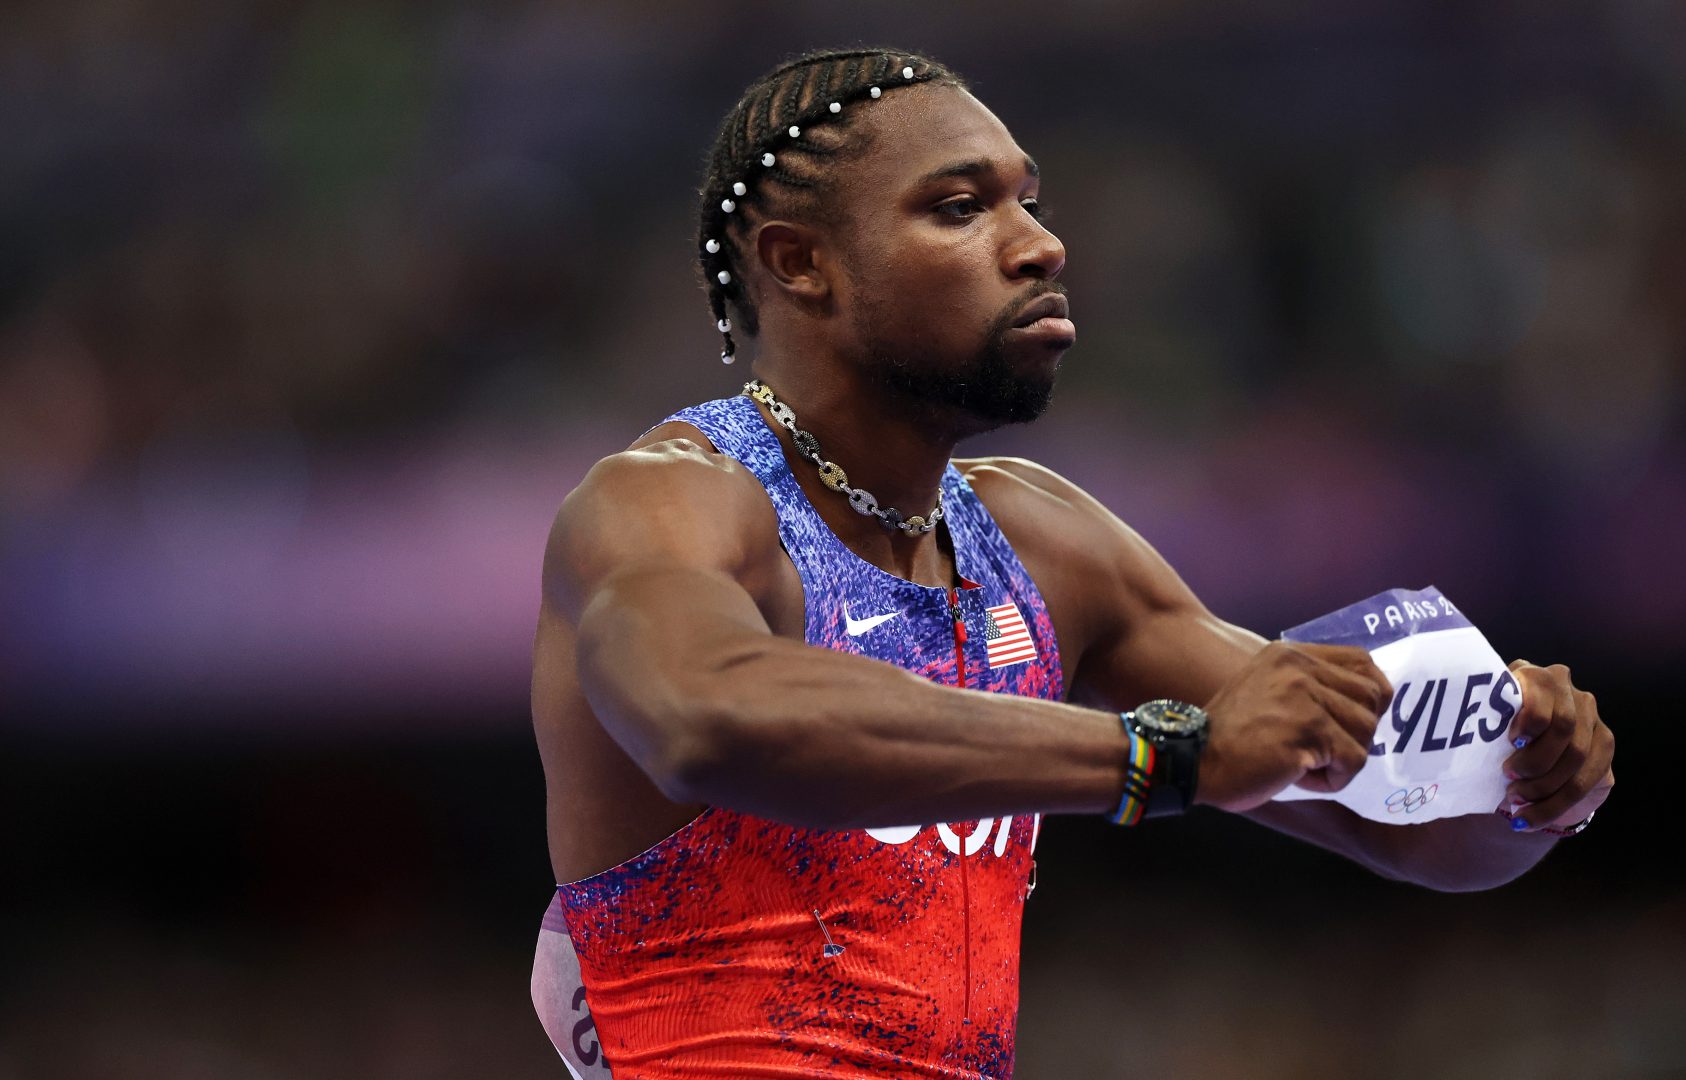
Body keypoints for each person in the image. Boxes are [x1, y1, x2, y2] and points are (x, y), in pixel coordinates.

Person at [528, 46, 1615, 1080]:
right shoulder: (668, 500)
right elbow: (704, 714)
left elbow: (1419, 839)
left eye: (1028, 201)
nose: (1040, 244)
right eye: (961, 208)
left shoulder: (1044, 545)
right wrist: (1162, 760)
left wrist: (1530, 785)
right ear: (800, 263)